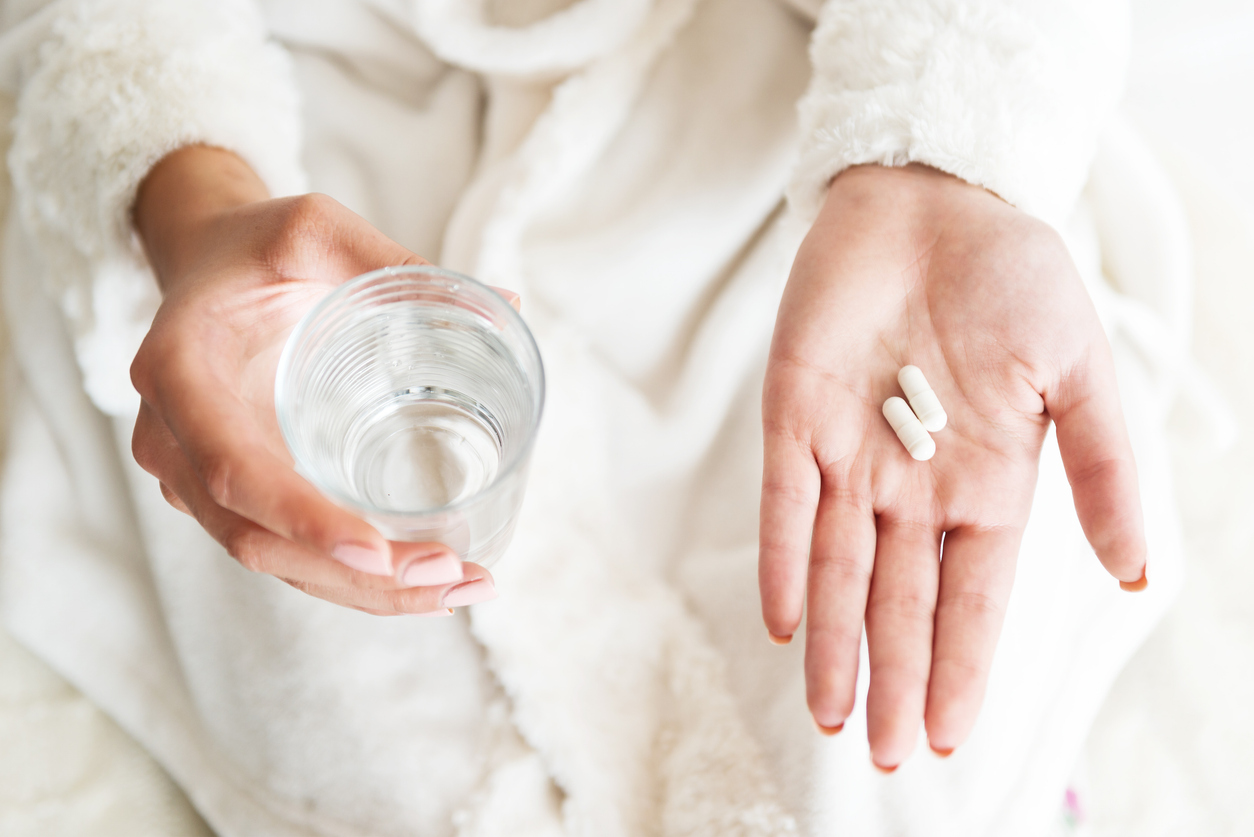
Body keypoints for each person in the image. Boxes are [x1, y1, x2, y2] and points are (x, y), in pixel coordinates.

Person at [0, 0, 1185, 835]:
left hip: (828, 112)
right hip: (294, 140)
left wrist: (944, 162)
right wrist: (189, 207)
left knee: (893, 755)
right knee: (390, 763)